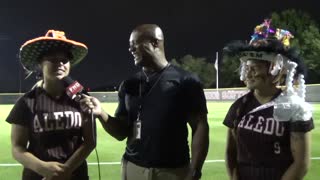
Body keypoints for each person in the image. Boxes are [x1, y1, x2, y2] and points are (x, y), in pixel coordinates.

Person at [80, 24, 209, 180]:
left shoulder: (186, 80)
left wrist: (195, 170)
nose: (130, 49)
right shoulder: (128, 84)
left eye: (135, 44)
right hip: (132, 168)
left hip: (172, 171)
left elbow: (200, 126)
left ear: (154, 43)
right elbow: (121, 133)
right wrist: (101, 113)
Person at [223, 19, 314, 180]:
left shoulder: (294, 108)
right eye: (247, 68)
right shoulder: (239, 106)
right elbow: (231, 152)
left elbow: (301, 163)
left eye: (255, 68)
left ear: (275, 70)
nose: (249, 74)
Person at [6, 30, 95, 180]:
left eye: (65, 60)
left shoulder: (81, 97)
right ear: (40, 64)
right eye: (53, 59)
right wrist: (43, 168)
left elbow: (90, 142)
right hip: (37, 176)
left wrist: (66, 170)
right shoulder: (26, 102)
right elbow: (17, 148)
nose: (60, 63)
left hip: (75, 175)